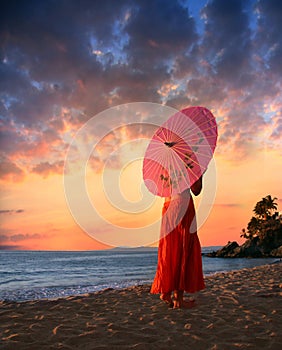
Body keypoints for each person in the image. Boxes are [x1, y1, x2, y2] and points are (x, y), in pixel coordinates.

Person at [150, 176, 205, 308]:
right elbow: (196, 190)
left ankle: (166, 291)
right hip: (183, 204)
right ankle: (178, 300)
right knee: (183, 247)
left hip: (168, 205)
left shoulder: (167, 163)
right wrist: (199, 174)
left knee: (169, 249)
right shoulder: (189, 163)